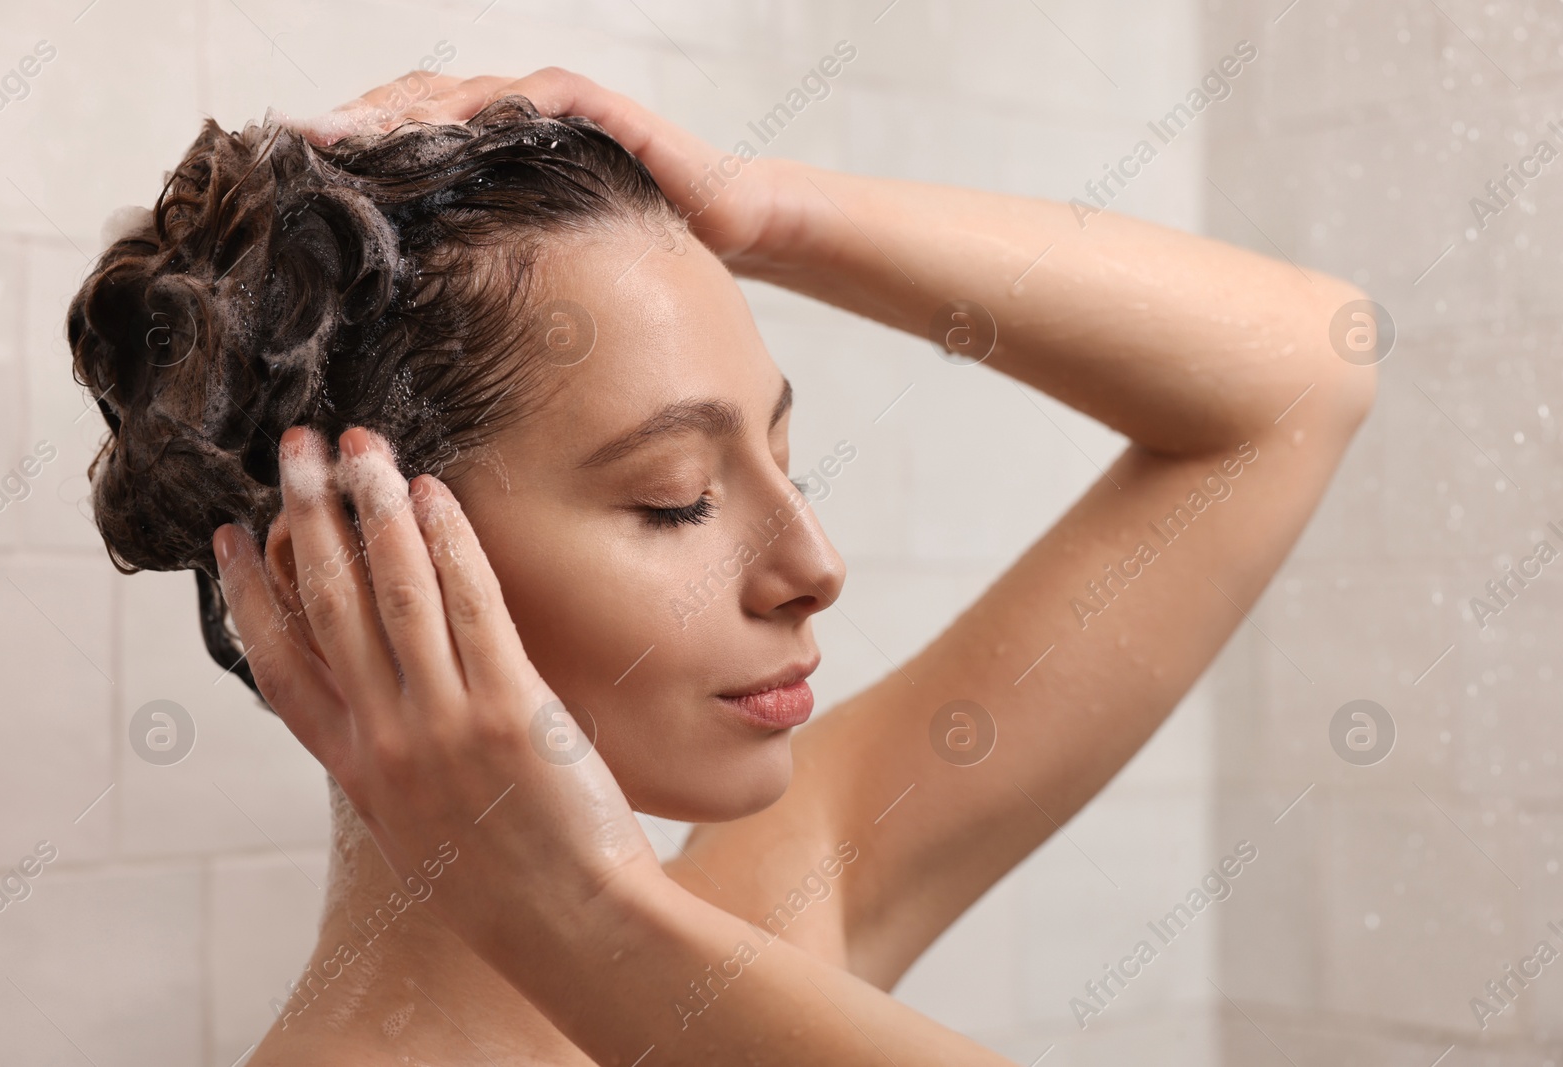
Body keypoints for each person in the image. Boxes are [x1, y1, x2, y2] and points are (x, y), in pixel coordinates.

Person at [69, 67, 1376, 1064]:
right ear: (341, 573)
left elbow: (1309, 367)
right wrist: (588, 916)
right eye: (677, 500)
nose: (813, 563)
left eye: (788, 465)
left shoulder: (761, 920)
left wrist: (761, 211)